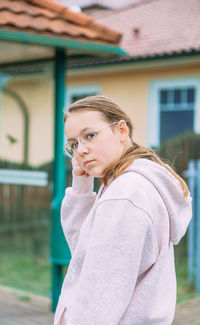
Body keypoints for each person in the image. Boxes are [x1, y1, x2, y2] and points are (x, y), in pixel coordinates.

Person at [54, 95, 192, 325]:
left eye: (90, 135)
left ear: (121, 131)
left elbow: (99, 297)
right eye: (74, 144)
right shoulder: (131, 184)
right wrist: (81, 186)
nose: (81, 151)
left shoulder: (124, 195)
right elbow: (85, 255)